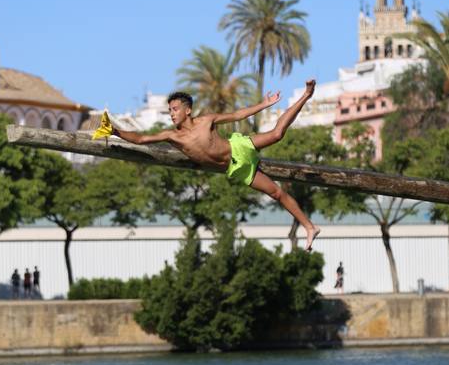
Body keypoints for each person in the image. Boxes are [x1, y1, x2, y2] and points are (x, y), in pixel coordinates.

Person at [105, 80, 321, 250]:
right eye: (170, 110)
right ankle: (310, 227)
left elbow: (237, 115)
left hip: (238, 147)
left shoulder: (206, 121)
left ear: (188, 110)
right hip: (237, 168)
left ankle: (306, 95)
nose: (171, 114)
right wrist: (115, 131)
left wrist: (264, 105)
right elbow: (141, 139)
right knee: (276, 193)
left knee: (276, 134)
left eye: (175, 109)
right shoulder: (172, 136)